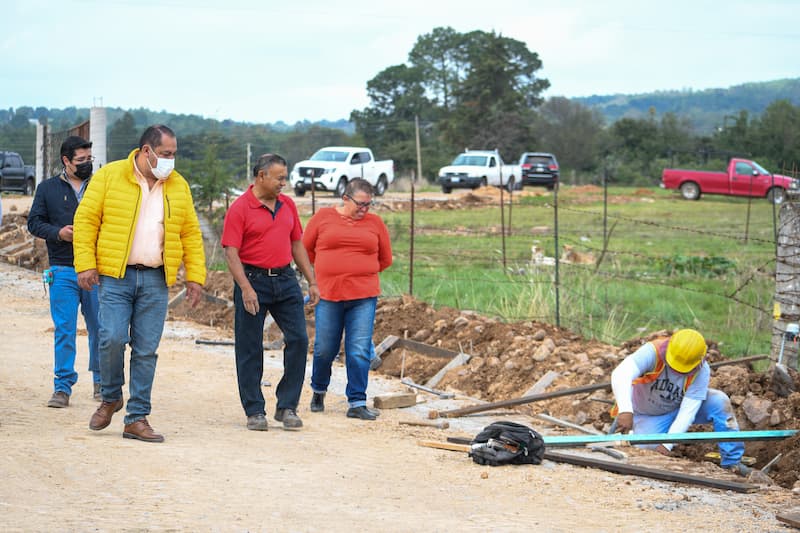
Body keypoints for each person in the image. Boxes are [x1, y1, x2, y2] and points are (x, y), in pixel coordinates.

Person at [74, 125, 206, 443]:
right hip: (115, 276)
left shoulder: (178, 185)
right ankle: (110, 396)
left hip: (155, 279)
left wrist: (195, 277)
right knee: (111, 338)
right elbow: (86, 219)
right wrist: (86, 264)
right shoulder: (110, 176)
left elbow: (190, 232)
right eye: (165, 154)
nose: (170, 161)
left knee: (146, 350)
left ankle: (136, 417)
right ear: (146, 151)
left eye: (174, 154)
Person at [221, 153, 319, 431]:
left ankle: (287, 406)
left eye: (285, 178)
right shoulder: (241, 208)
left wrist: (311, 281)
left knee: (299, 339)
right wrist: (245, 288)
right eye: (279, 178)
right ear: (261, 176)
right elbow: (231, 252)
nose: (284, 184)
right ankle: (254, 410)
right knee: (250, 345)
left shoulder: (287, 205)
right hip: (253, 279)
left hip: (286, 278)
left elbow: (297, 244)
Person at [303, 178, 392, 420]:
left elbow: (385, 259)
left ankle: (357, 402)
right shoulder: (323, 218)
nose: (365, 209)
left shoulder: (375, 223)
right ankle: (319, 389)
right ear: (345, 198)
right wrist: (323, 271)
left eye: (369, 205)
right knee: (325, 348)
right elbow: (305, 249)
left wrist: (359, 271)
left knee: (359, 350)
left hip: (363, 296)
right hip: (328, 294)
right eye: (361, 204)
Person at [610, 328, 751, 475]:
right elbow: (621, 373)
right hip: (646, 414)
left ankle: (731, 463)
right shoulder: (654, 351)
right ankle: (640, 434)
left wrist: (667, 444)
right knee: (642, 453)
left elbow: (687, 412)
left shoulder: (701, 370)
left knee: (719, 401)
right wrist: (626, 410)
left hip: (677, 409)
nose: (678, 372)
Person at [28, 136, 101, 408]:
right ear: (66, 161)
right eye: (80, 161)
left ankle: (101, 382)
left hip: (97, 271)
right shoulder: (47, 189)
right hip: (63, 269)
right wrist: (58, 233)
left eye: (89, 160)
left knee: (101, 329)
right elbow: (34, 223)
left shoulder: (100, 187)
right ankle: (62, 387)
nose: (86, 165)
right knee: (65, 330)